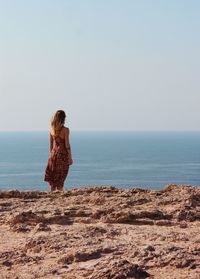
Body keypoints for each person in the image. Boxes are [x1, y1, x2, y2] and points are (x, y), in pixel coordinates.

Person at [44, 110, 73, 192]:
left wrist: (51, 156)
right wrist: (70, 157)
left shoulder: (51, 129)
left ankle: (52, 194)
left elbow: (50, 144)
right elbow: (67, 145)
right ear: (63, 118)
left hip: (53, 154)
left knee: (53, 176)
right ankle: (60, 194)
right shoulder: (66, 130)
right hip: (62, 155)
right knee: (61, 177)